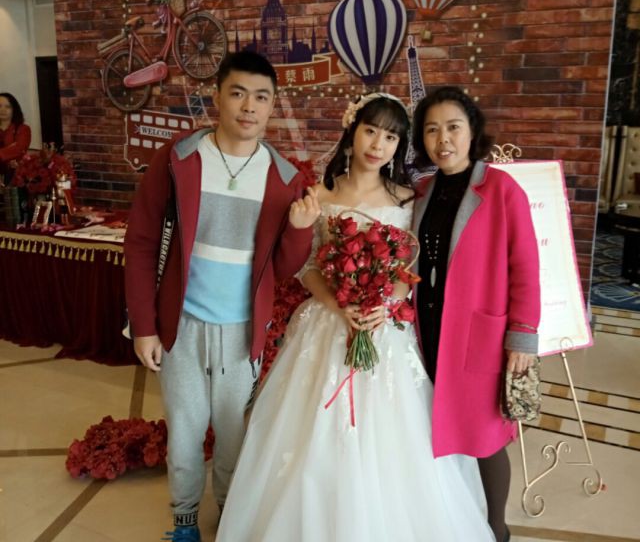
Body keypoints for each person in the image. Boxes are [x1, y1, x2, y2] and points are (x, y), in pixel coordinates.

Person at [216, 93, 494, 542]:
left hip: (384, 327)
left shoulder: (407, 198)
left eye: (391, 137)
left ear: (399, 146)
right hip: (328, 323)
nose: (378, 145)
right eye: (370, 131)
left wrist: (385, 304)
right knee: (312, 431)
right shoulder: (320, 194)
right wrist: (338, 304)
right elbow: (307, 266)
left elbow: (409, 266)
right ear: (352, 133)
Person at [124, 51, 318, 542]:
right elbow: (142, 241)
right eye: (238, 93)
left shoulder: (283, 178)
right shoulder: (179, 159)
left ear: (272, 106)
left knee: (234, 436)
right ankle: (185, 522)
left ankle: (231, 518)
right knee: (185, 435)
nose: (249, 107)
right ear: (217, 97)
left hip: (241, 333)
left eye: (261, 97)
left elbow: (283, 269)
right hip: (181, 327)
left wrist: (300, 231)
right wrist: (144, 326)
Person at [411, 86, 541, 542]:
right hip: (427, 325)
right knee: (435, 426)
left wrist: (523, 335)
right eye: (431, 130)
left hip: (478, 332)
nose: (442, 139)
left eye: (453, 127)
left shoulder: (501, 189)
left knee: (486, 437)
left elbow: (526, 266)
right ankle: (451, 519)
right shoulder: (422, 191)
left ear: (472, 132)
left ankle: (496, 530)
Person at [0, 92, 31, 183]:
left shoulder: (23, 129)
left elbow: (19, 149)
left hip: (14, 177)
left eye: (7, 107)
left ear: (14, 109)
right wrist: (9, 150)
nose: (2, 110)